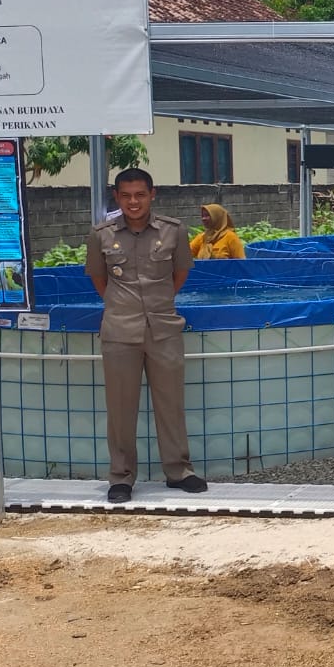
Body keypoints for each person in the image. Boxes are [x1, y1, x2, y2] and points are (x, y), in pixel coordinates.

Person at [84, 168, 204, 503]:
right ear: (117, 198)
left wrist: (157, 303)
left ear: (153, 194)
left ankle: (179, 471)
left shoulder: (174, 231)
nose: (133, 202)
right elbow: (99, 280)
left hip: (163, 328)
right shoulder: (101, 235)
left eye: (140, 194)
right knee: (121, 408)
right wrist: (123, 306)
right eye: (126, 196)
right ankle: (121, 477)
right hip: (120, 330)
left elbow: (179, 274)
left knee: (171, 404)